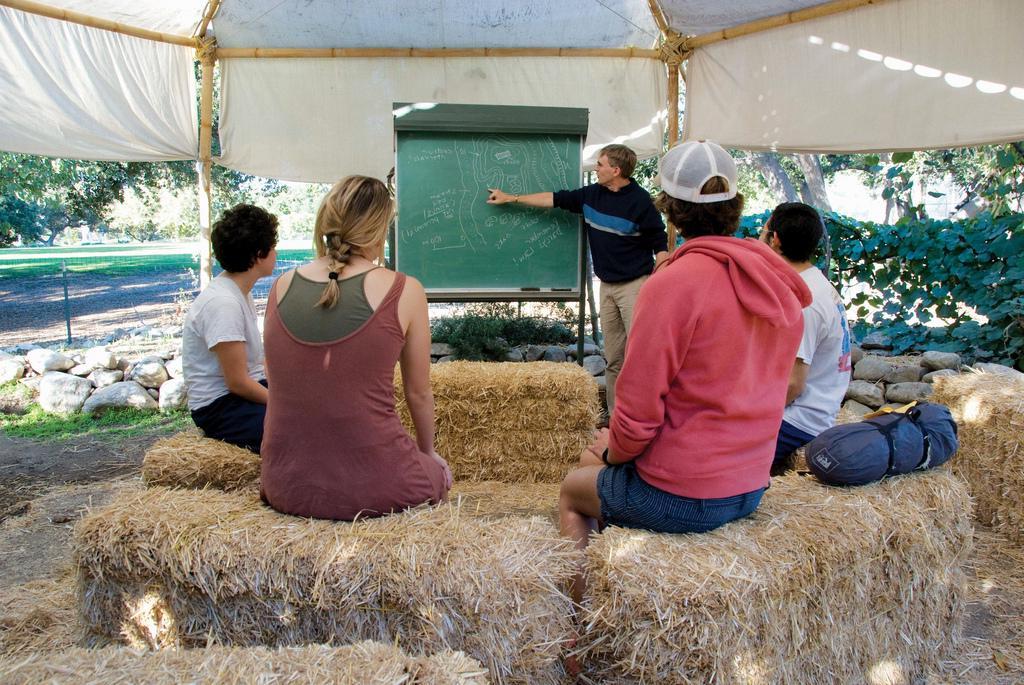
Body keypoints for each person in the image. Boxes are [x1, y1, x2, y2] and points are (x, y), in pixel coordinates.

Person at [558, 140, 811, 603]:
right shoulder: (777, 282)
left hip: (684, 494)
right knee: (598, 461)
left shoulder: (672, 283)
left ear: (670, 209)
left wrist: (614, 450)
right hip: (751, 483)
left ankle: (574, 625)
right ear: (735, 205)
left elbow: (636, 417)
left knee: (575, 486)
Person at [260, 175, 452, 521]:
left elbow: (279, 386)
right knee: (437, 477)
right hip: (375, 487)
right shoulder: (405, 289)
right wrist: (427, 454)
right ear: (379, 231)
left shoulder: (280, 287)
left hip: (284, 485)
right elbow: (419, 392)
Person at [486, 144, 668, 415]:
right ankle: (617, 419)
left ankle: (647, 415)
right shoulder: (591, 195)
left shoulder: (641, 202)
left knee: (641, 356)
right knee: (614, 359)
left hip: (635, 286)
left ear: (616, 170)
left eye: (600, 164)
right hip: (607, 287)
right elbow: (553, 199)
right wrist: (511, 197)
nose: (596, 168)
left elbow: (660, 243)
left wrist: (660, 279)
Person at [761, 202, 852, 475]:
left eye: (761, 232)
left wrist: (749, 413)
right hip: (817, 408)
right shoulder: (816, 284)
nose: (757, 240)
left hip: (799, 419)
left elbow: (793, 385)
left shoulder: (803, 301)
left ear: (775, 240)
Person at [182, 204, 278, 453]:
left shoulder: (237, 292)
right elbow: (237, 382)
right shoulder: (223, 303)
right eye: (273, 246)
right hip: (219, 406)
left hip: (240, 394)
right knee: (296, 430)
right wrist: (284, 404)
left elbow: (255, 367)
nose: (276, 252)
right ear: (259, 254)